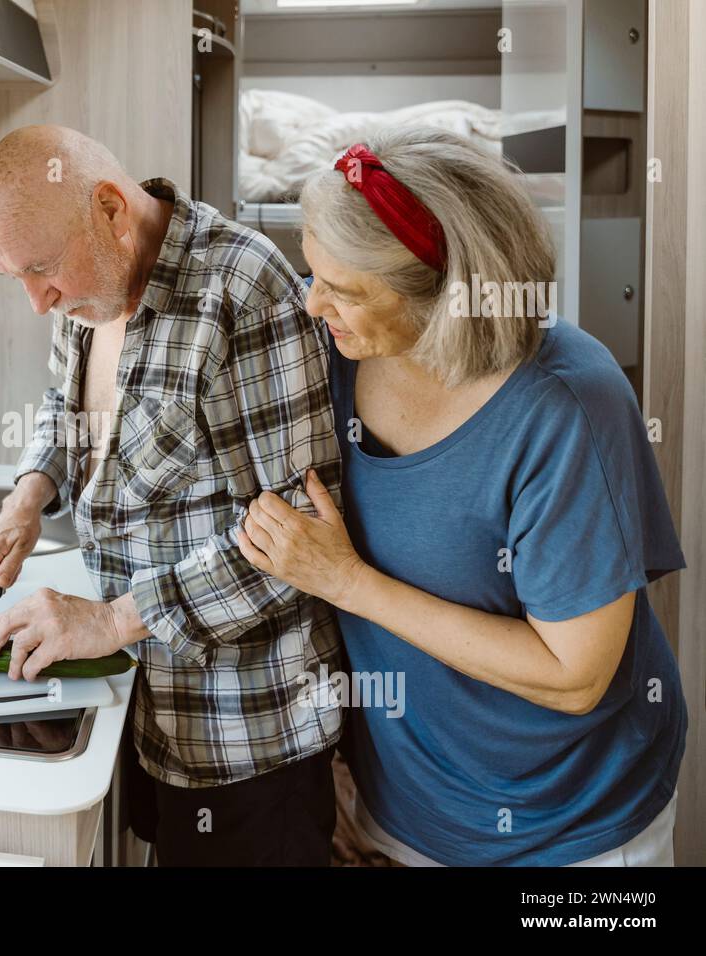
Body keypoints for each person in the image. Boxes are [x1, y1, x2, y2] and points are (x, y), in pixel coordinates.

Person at [238, 126, 687, 866]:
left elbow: (574, 676)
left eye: (342, 290)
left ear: (444, 293)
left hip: (574, 832)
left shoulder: (567, 406)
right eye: (311, 274)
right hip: (400, 810)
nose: (312, 305)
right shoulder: (338, 355)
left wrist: (348, 582)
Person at [0, 125, 343, 865]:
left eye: (41, 269)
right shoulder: (93, 289)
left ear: (110, 209)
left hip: (249, 738)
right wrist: (29, 492)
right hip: (148, 704)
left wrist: (111, 619)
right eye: (14, 276)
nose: (37, 302)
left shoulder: (244, 289)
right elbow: (65, 403)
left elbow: (302, 537)